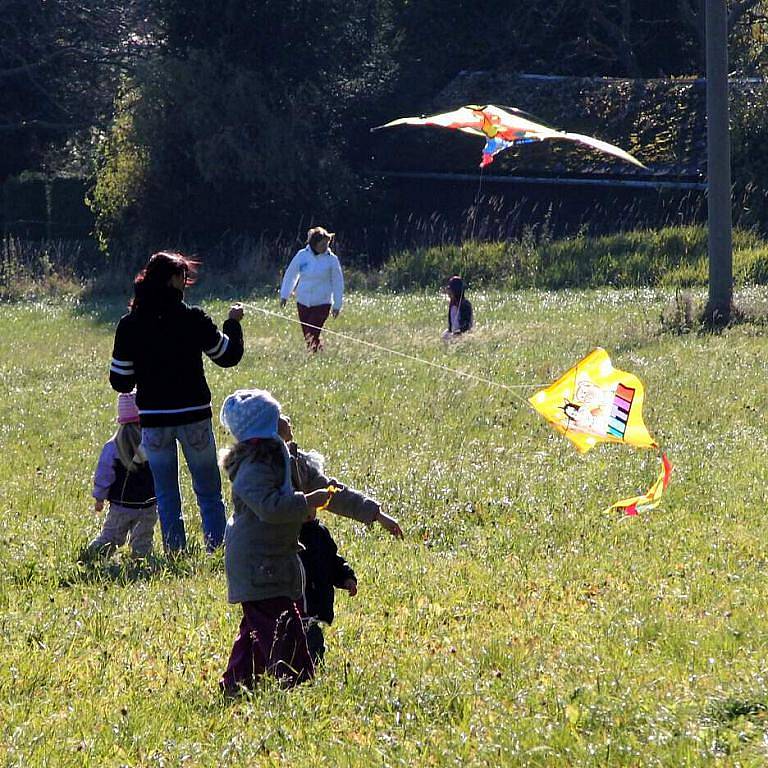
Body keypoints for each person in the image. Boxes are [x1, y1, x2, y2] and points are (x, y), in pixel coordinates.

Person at [218, 389, 403, 693]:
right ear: (263, 429)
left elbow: (331, 491)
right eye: (277, 416)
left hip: (274, 561)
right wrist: (307, 501)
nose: (286, 419)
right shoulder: (253, 468)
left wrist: (375, 514)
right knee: (283, 625)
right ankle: (297, 682)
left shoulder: (290, 460)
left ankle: (236, 685)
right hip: (255, 562)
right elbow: (271, 508)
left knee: (256, 628)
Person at [109, 251, 245, 553]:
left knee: (166, 493)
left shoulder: (129, 324)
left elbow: (121, 381)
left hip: (155, 422)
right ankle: (218, 547)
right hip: (194, 417)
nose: (186, 282)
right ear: (173, 279)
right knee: (208, 491)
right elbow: (227, 356)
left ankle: (175, 551)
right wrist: (233, 324)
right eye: (183, 276)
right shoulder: (192, 318)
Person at [83, 392, 157, 560]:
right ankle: (140, 562)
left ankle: (93, 554)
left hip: (121, 506)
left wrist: (99, 497)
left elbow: (104, 474)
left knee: (110, 538)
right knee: (143, 540)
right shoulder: (152, 444)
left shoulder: (112, 447)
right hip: (148, 506)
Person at [279, 226, 344, 351]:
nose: (325, 247)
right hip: (303, 301)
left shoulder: (332, 260)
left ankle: (314, 357)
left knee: (312, 332)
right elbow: (291, 274)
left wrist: (337, 305)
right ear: (314, 244)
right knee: (307, 336)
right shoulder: (302, 256)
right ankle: (318, 355)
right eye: (322, 244)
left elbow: (338, 283)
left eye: (327, 243)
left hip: (322, 303)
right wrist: (284, 295)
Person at [442, 275, 474, 340]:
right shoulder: (452, 304)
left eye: (450, 290)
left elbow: (467, 324)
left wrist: (458, 333)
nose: (448, 293)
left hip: (462, 335)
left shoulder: (465, 305)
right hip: (453, 334)